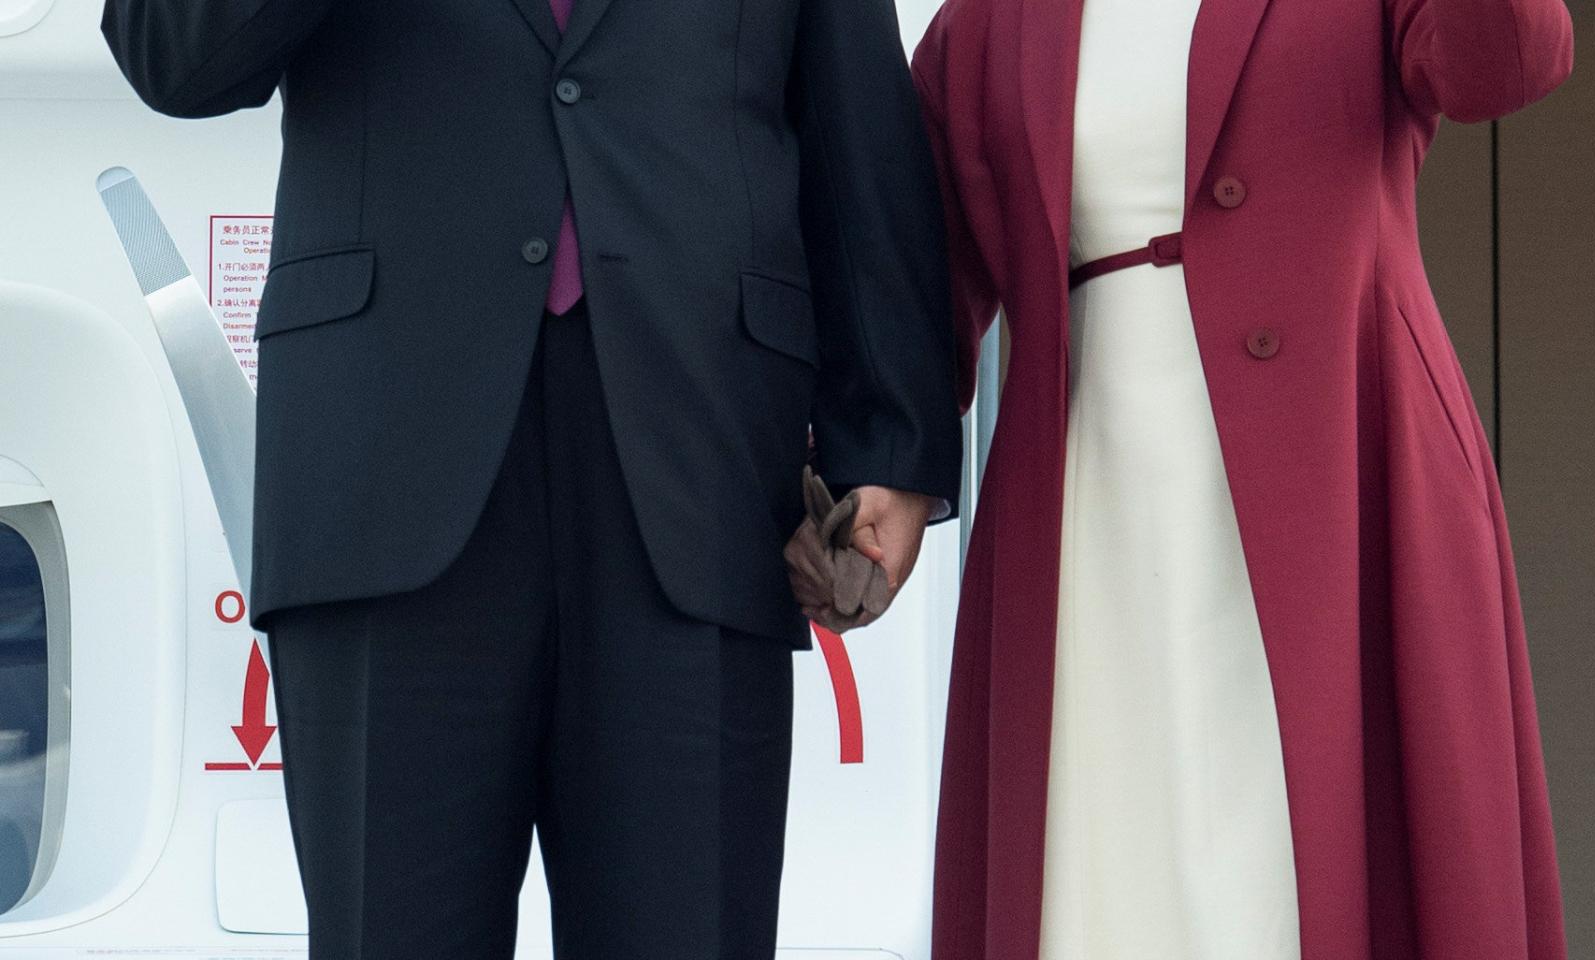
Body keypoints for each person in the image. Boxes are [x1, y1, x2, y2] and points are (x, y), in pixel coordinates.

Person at [100, 0, 961, 955]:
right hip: (385, 471)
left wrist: (888, 438)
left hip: (700, 465)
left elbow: (860, 130)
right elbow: (171, 58)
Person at [909, 0, 1575, 957]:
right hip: (1091, 508)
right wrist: (870, 472)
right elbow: (912, 285)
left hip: (1348, 486)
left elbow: (1505, 61)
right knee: (1096, 871)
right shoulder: (986, 24)